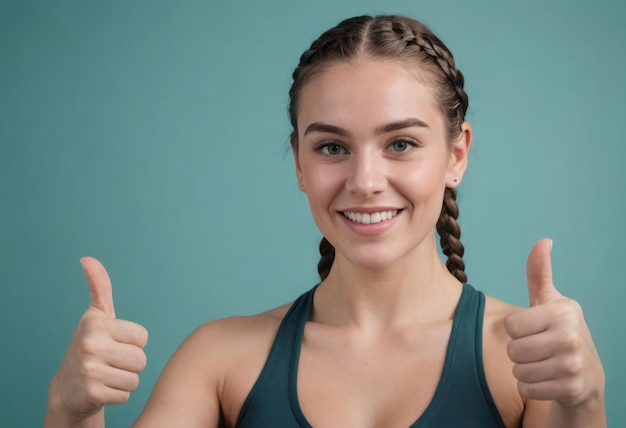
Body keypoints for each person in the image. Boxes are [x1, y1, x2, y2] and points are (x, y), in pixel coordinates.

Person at [45, 14, 606, 427]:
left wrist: (584, 406)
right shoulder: (220, 361)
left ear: (456, 154)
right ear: (298, 162)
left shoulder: (527, 362)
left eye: (402, 143)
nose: (364, 180)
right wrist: (70, 411)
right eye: (332, 148)